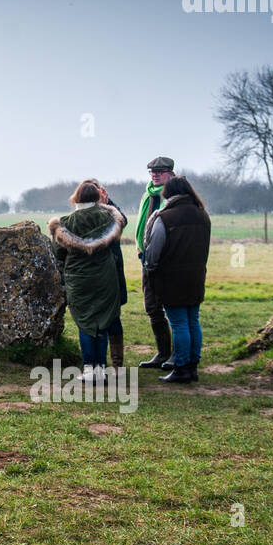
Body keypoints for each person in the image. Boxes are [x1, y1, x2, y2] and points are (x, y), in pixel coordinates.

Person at [49, 180, 127, 383]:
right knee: (102, 322)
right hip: (105, 277)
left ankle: (89, 369)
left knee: (85, 323)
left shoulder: (65, 222)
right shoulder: (110, 218)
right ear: (97, 197)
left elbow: (58, 252)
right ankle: (101, 368)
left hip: (78, 278)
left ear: (76, 197)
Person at [142, 175, 212, 384]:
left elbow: (153, 251)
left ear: (168, 194)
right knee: (193, 321)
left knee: (179, 323)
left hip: (172, 278)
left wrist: (150, 268)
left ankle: (180, 367)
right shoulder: (203, 215)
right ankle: (192, 365)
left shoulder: (165, 217)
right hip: (196, 275)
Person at [135, 156, 177, 370]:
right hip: (147, 256)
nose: (155, 174)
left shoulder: (174, 195)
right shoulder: (148, 194)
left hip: (167, 259)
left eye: (160, 171)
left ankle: (176, 355)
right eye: (152, 171)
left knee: (172, 306)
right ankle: (163, 353)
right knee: (152, 306)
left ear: (170, 173)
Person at [95, 181, 129, 370]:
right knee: (97, 319)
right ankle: (98, 362)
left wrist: (108, 203)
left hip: (113, 272)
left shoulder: (111, 213)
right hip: (97, 273)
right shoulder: (85, 216)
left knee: (114, 317)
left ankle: (117, 363)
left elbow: (122, 220)